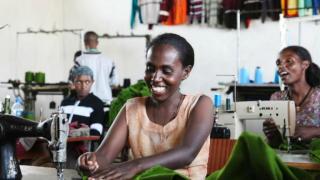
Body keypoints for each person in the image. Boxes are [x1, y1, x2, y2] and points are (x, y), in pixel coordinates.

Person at [77, 33, 214, 179]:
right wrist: (89, 162)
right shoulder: (132, 108)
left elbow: (187, 152)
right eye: (150, 68)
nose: (155, 78)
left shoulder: (200, 105)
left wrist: (135, 166)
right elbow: (104, 156)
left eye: (166, 71)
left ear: (185, 72)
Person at [263, 46, 320, 148]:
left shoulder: (318, 97)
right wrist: (272, 135)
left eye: (289, 61)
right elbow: (275, 145)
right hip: (286, 159)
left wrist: (315, 131)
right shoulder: (277, 98)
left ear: (305, 65)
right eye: (278, 63)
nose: (281, 66)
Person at [61, 65, 105, 168]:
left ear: (92, 82)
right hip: (61, 144)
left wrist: (72, 133)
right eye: (79, 82)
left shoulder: (96, 103)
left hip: (80, 149)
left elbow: (96, 132)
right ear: (74, 83)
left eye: (87, 82)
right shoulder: (65, 102)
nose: (83, 85)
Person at [76, 31, 118, 104]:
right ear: (97, 42)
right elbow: (115, 83)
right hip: (105, 100)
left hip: (86, 102)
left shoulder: (79, 61)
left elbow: (73, 83)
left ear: (85, 42)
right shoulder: (110, 61)